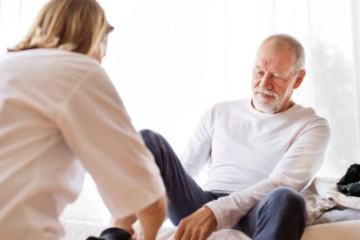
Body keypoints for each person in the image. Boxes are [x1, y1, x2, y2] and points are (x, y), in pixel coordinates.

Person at [0, 0, 166, 240]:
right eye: (102, 49)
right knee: (120, 226)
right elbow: (151, 202)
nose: (101, 59)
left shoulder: (6, 65)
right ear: (95, 38)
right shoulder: (78, 69)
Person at [139, 34, 331, 240]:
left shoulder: (312, 126)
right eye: (259, 72)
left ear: (298, 79)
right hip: (203, 204)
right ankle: (124, 228)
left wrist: (216, 213)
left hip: (257, 211)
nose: (264, 83)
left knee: (288, 198)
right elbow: (185, 168)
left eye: (277, 76)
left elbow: (282, 182)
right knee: (148, 140)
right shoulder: (219, 112)